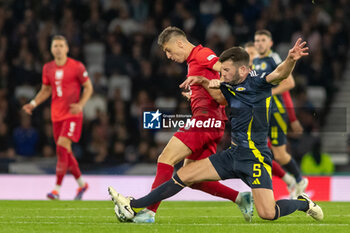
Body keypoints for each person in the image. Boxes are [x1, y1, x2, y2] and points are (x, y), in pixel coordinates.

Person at [109, 39, 324, 222]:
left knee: (268, 213)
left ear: (242, 69)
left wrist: (291, 60)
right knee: (184, 175)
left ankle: (303, 204)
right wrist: (199, 83)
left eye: (226, 70)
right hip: (232, 155)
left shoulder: (258, 82)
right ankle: (133, 203)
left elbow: (279, 73)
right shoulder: (227, 87)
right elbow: (215, 94)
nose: (222, 74)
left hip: (255, 158)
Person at [122, 26, 253, 223]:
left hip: (205, 121)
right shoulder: (194, 60)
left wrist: (236, 84)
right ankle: (239, 197)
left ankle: (149, 212)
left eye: (168, 50)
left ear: (180, 43)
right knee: (192, 178)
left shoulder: (202, 54)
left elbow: (226, 71)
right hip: (212, 122)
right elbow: (215, 88)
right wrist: (197, 94)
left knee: (165, 158)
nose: (168, 56)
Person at [22, 35, 93, 200]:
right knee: (65, 152)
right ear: (51, 49)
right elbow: (45, 90)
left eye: (61, 45)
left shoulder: (77, 66)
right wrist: (33, 103)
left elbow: (88, 87)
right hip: (56, 116)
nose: (58, 49)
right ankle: (82, 184)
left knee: (61, 147)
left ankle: (56, 189)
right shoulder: (48, 68)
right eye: (55, 46)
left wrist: (81, 105)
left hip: (73, 114)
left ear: (67, 48)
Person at [253, 30, 307, 198]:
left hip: (276, 113)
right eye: (257, 40)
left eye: (263, 40)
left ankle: (298, 180)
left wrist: (292, 118)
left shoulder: (274, 59)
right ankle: (287, 182)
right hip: (263, 113)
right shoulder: (255, 61)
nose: (259, 43)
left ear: (270, 43)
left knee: (280, 155)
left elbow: (289, 83)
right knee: (258, 148)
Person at [244, 42, 297, 195]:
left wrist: (292, 118)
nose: (250, 58)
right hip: (252, 117)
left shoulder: (264, 74)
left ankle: (271, 186)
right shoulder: (244, 74)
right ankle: (287, 180)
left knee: (261, 153)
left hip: (268, 116)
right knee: (257, 153)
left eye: (253, 54)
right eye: (248, 55)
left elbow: (285, 92)